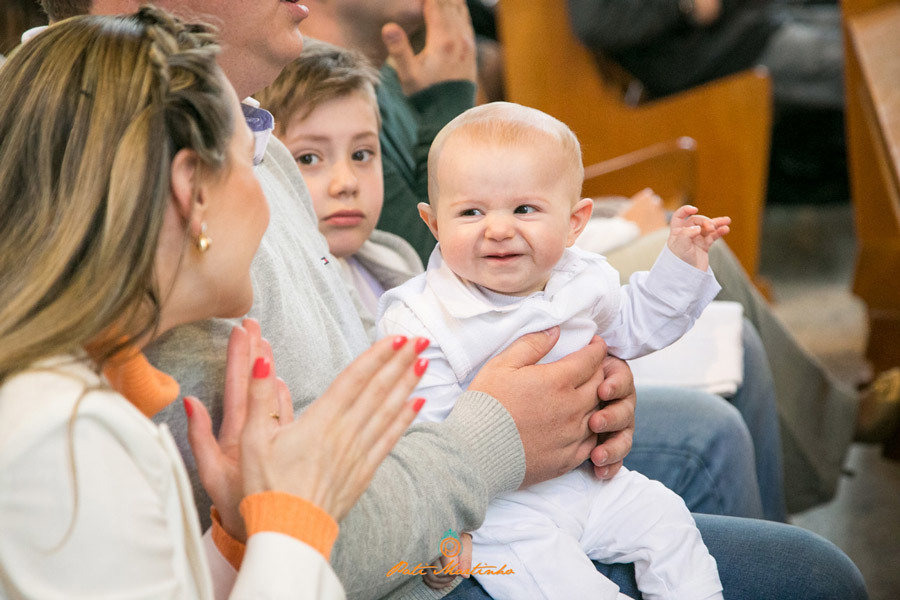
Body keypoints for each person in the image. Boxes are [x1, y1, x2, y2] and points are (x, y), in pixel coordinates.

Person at [37, 1, 867, 598]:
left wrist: (577, 388)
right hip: (431, 535)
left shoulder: (215, 131)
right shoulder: (114, 339)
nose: (300, 187)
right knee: (801, 563)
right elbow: (317, 540)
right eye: (280, 156)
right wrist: (498, 431)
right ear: (192, 196)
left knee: (727, 480)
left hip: (416, 479)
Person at [0, 8, 429, 598]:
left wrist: (235, 534)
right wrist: (294, 514)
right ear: (192, 192)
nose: (269, 197)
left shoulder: (79, 406)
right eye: (248, 159)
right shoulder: (64, 434)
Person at [377, 102, 729, 599]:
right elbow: (419, 435)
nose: (498, 229)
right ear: (434, 224)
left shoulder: (581, 278)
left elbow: (634, 326)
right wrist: (446, 533)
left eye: (524, 209)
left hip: (588, 482)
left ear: (574, 221)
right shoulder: (420, 318)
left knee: (666, 519)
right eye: (471, 212)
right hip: (499, 515)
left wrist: (681, 266)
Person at [566, 0, 843, 110]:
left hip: (751, 18)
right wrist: (681, 5)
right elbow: (594, 22)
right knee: (851, 59)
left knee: (855, 21)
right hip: (708, 52)